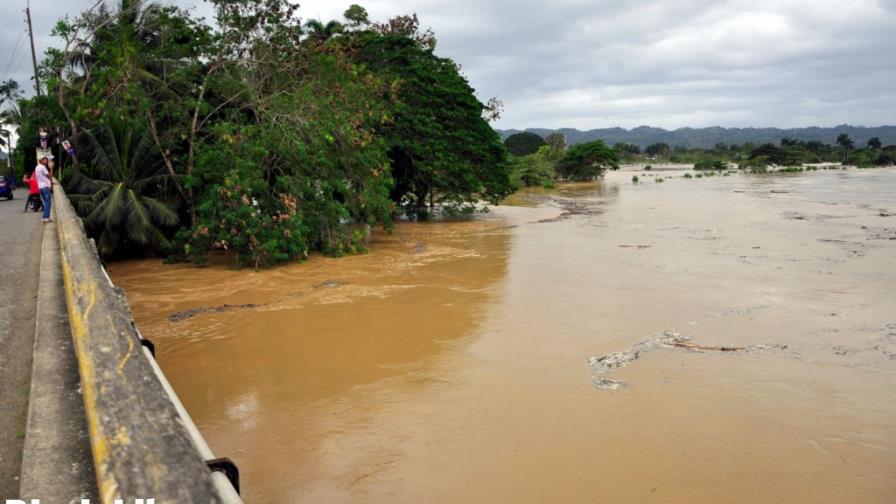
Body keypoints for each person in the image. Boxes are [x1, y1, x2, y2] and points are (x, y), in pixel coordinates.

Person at [34, 156, 53, 223]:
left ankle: (45, 217)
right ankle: (46, 217)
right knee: (48, 203)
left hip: (40, 187)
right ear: (41, 160)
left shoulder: (37, 167)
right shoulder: (43, 167)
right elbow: (49, 176)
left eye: (46, 159)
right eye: (45, 159)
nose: (46, 160)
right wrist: (51, 168)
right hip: (45, 187)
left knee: (46, 203)